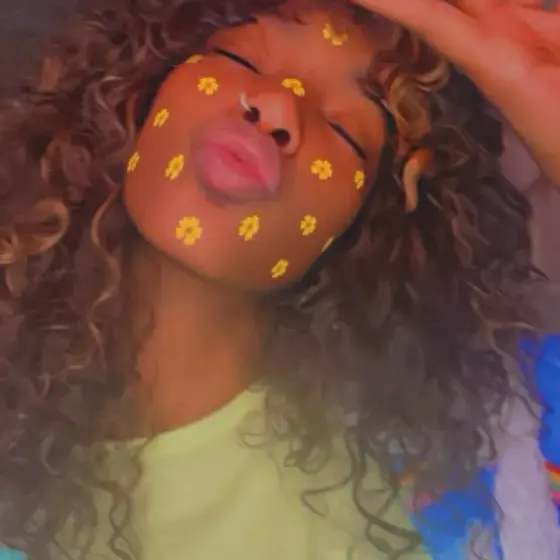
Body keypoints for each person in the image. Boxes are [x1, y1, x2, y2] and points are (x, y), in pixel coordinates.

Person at [0, 0, 558, 558]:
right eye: (243, 61)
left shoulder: (456, 462)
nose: (276, 107)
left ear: (373, 212)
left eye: (343, 129)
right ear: (144, 88)